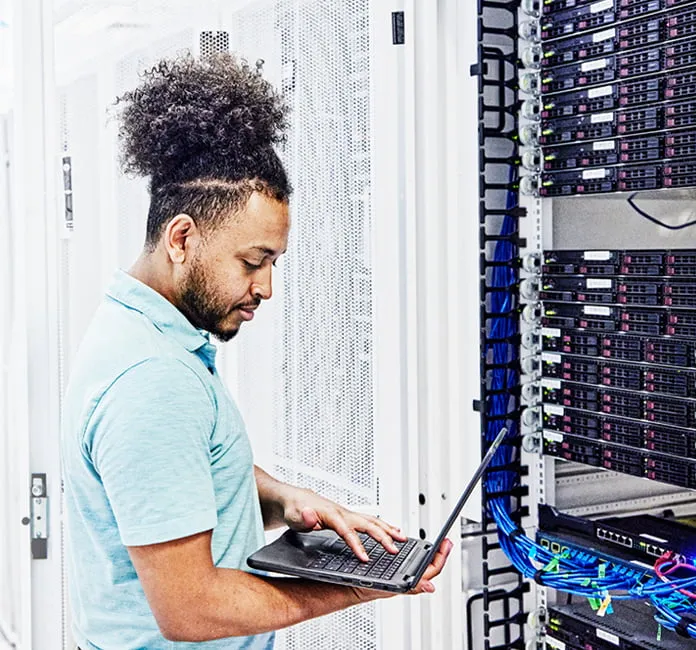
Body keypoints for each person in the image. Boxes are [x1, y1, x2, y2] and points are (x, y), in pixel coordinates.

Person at [61, 54, 451, 650]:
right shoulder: (152, 380)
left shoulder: (141, 330)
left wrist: (289, 501)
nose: (266, 287)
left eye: (273, 263)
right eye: (254, 261)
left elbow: (179, 479)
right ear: (183, 238)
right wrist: (362, 587)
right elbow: (192, 611)